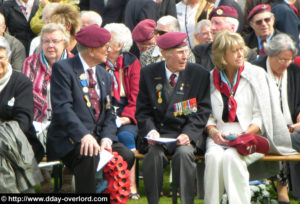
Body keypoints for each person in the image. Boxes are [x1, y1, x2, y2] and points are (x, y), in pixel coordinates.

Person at [204, 30, 296, 204]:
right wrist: (213, 132)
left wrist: (244, 134)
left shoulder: (256, 74)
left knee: (232, 157)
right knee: (213, 158)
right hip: (219, 135)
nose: (241, 54)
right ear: (222, 54)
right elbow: (207, 115)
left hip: (252, 134)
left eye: (241, 49)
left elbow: (262, 116)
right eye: (235, 50)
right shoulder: (211, 77)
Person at [46, 24, 134, 193]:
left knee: (126, 155)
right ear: (92, 50)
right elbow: (63, 108)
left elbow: (110, 112)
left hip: (99, 137)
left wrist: (107, 138)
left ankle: (105, 192)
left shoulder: (104, 75)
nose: (108, 50)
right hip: (70, 138)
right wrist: (83, 135)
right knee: (89, 154)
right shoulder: (63, 69)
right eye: (105, 46)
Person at [135, 31, 211, 204]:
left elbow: (202, 110)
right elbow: (143, 110)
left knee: (184, 155)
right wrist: (151, 131)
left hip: (184, 134)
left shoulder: (200, 74)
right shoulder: (148, 73)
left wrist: (189, 134)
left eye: (186, 51)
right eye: (180, 52)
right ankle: (153, 201)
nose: (185, 57)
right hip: (158, 135)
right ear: (164, 54)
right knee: (152, 157)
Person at [23, 23, 73, 193]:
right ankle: (44, 178)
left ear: (64, 43)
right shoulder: (30, 63)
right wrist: (44, 107)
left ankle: (68, 175)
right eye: (46, 41)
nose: (50, 45)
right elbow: (26, 92)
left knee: (75, 132)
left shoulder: (74, 62)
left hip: (67, 117)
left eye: (55, 41)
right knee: (32, 134)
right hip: (38, 117)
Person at [253, 33, 300, 203]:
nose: (286, 64)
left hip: (292, 125)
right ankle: (282, 187)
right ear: (270, 55)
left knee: (294, 137)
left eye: (289, 59)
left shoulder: (294, 71)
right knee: (282, 140)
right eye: (282, 60)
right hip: (266, 127)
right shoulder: (256, 70)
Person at [0, 36, 44, 192]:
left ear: (9, 57)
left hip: (20, 140)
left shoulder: (21, 82)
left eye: (1, 57)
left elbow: (23, 121)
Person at [103, 22, 141, 200]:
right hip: (106, 109)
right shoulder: (98, 61)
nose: (104, 44)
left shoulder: (132, 62)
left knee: (126, 136)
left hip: (126, 110)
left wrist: (126, 118)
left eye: (108, 41)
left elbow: (136, 96)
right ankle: (105, 184)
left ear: (119, 45)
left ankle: (130, 184)